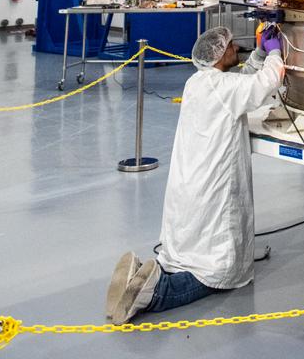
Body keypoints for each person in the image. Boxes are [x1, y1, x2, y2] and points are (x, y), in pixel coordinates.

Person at [105, 23, 284, 324]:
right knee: (216, 269)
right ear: (217, 55)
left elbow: (240, 83)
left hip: (189, 187)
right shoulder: (227, 90)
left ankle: (142, 273)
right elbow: (264, 83)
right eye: (230, 47)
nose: (235, 49)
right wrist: (275, 52)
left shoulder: (197, 83)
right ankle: (154, 292)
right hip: (215, 191)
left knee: (187, 250)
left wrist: (257, 53)